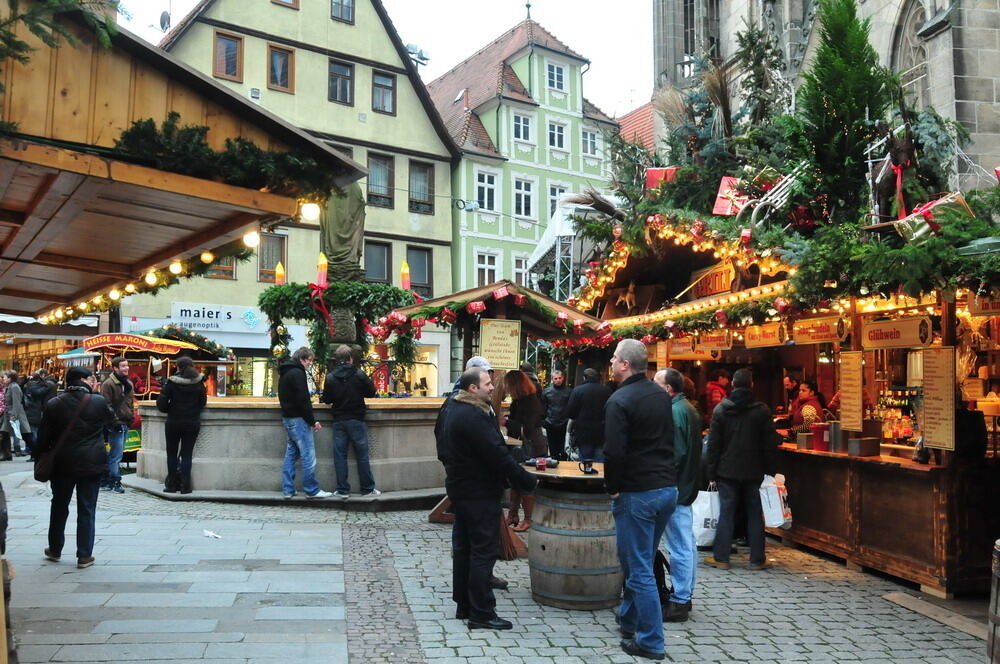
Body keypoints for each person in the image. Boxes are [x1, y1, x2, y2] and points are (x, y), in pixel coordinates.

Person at [437, 367, 537, 630]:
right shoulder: (472, 414)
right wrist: (526, 481)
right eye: (487, 383)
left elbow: (443, 446)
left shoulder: (453, 408)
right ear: (473, 388)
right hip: (478, 491)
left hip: (462, 488)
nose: (493, 387)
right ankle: (481, 613)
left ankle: (465, 605)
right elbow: (497, 454)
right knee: (483, 550)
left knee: (465, 549)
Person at [605, 339, 677, 661]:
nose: (610, 361)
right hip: (666, 489)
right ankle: (629, 619)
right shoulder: (661, 395)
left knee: (638, 569)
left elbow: (613, 452)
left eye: (614, 358)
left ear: (625, 364)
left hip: (638, 493)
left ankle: (651, 642)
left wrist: (613, 487)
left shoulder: (619, 400)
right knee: (642, 559)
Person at [37, 366, 115, 569]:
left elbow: (43, 438)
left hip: (62, 462)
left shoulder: (54, 403)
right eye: (91, 379)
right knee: (87, 507)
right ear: (82, 380)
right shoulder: (97, 401)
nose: (93, 382)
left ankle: (55, 549)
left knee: (59, 505)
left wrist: (41, 459)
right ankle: (84, 555)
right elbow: (112, 420)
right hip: (91, 461)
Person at [703, 368, 780, 572]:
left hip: (726, 470)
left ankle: (721, 557)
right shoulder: (762, 410)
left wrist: (711, 472)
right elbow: (769, 444)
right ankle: (757, 559)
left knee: (726, 512)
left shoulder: (721, 409)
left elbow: (713, 445)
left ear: (732, 384)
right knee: (754, 513)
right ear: (752, 385)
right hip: (754, 470)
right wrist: (770, 470)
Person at [653, 368, 703, 623]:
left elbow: (675, 454)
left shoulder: (675, 412)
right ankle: (684, 595)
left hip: (675, 487)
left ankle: (680, 600)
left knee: (680, 546)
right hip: (684, 485)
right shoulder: (685, 408)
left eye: (656, 383)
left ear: (668, 389)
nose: (652, 387)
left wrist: (661, 480)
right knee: (686, 544)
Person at [322, 345, 379, 499]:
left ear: (337, 359)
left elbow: (326, 399)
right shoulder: (359, 374)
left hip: (339, 420)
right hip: (357, 419)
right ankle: (367, 489)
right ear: (351, 358)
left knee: (340, 456)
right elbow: (371, 392)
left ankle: (342, 490)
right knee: (362, 455)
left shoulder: (331, 377)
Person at [278, 347, 332, 500]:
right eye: (309, 360)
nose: (310, 363)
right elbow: (303, 400)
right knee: (308, 455)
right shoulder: (298, 373)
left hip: (288, 418)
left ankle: (288, 489)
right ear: (301, 358)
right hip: (299, 420)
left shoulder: (285, 372)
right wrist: (312, 421)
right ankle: (312, 490)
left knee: (291, 454)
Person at [155, 356, 207, 494]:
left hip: (173, 422)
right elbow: (202, 402)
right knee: (187, 454)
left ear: (178, 367)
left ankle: (171, 484)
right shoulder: (199, 382)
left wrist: (170, 409)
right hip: (192, 422)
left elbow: (161, 404)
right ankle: (185, 486)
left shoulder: (172, 383)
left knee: (172, 454)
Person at [503, 370, 545, 532]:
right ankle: (513, 515)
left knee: (526, 482)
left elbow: (527, 428)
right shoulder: (518, 401)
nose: (506, 388)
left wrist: (505, 422)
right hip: (520, 446)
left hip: (531, 447)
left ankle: (528, 519)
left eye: (508, 384)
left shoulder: (530, 401)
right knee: (515, 481)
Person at [99, 356, 134, 494]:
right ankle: (115, 481)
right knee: (116, 455)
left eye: (127, 365)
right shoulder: (108, 384)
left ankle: (106, 480)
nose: (126, 368)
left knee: (117, 454)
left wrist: (131, 417)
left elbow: (130, 403)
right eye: (123, 366)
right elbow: (106, 405)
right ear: (115, 368)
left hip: (125, 422)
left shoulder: (128, 383)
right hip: (115, 424)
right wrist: (115, 422)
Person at [565, 368, 612, 462]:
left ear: (584, 378)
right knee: (599, 463)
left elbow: (571, 413)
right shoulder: (607, 391)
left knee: (585, 462)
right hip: (601, 433)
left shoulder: (577, 391)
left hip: (583, 433)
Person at [24, 369, 57, 459]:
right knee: (38, 431)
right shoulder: (49, 384)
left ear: (42, 375)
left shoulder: (46, 385)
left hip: (40, 410)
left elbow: (38, 393)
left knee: (34, 431)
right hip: (42, 410)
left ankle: (35, 451)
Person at [541, 369, 571, 461]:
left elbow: (571, 407)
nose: (558, 380)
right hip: (551, 423)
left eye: (559, 378)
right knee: (553, 450)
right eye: (556, 378)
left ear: (563, 378)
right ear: (552, 379)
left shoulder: (569, 391)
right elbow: (543, 408)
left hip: (564, 423)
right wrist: (544, 421)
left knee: (563, 449)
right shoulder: (546, 392)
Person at [2, 370, 31, 457]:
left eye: (4, 377)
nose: (3, 379)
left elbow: (16, 402)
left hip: (13, 413)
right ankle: (7, 453)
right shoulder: (9, 386)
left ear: (10, 378)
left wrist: (14, 416)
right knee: (5, 432)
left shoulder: (14, 387)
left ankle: (19, 449)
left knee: (20, 433)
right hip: (8, 413)